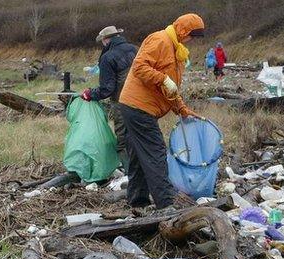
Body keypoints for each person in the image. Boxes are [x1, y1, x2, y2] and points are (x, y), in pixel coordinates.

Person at [118, 13, 205, 209]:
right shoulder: (160, 40)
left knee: (138, 155)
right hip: (138, 106)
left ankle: (137, 201)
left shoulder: (177, 51)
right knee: (155, 152)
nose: (191, 41)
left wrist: (182, 109)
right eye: (191, 35)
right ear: (183, 30)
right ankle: (166, 204)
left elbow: (170, 89)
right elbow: (139, 66)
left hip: (137, 106)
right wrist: (162, 79)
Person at [81, 26, 137, 172]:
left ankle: (130, 176)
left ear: (106, 40)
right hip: (144, 102)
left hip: (123, 103)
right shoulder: (135, 49)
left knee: (123, 141)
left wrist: (90, 94)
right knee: (141, 137)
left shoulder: (108, 57)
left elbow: (107, 89)